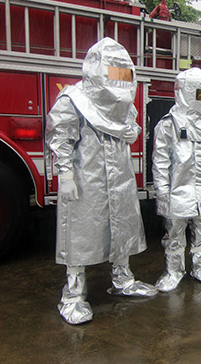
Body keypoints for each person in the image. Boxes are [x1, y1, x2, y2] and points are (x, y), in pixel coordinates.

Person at [46, 38, 157, 325]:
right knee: (80, 230)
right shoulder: (73, 100)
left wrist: (132, 131)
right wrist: (66, 173)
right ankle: (73, 294)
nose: (118, 80)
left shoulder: (121, 102)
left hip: (119, 175)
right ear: (97, 69)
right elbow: (61, 138)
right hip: (87, 177)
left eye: (123, 74)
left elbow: (130, 124)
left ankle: (122, 278)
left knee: (122, 225)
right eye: (113, 72)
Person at [152, 68, 201, 288]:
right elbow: (161, 160)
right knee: (175, 231)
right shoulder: (169, 124)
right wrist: (162, 190)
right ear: (187, 93)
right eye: (200, 94)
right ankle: (174, 271)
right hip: (179, 189)